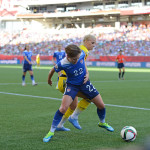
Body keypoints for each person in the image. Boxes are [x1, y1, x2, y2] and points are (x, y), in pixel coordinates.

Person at [43, 44, 114, 143]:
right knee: (63, 108)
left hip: (85, 84)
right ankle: (51, 131)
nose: (76, 61)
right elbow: (52, 70)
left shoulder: (81, 54)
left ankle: (102, 123)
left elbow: (83, 62)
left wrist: (87, 73)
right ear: (67, 56)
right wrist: (49, 79)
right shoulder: (63, 63)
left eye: (77, 58)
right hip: (72, 86)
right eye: (74, 59)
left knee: (101, 105)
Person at [56, 35, 98, 131]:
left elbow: (82, 63)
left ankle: (59, 125)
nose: (94, 45)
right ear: (85, 41)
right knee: (89, 97)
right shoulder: (83, 50)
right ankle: (73, 117)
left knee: (73, 105)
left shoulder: (81, 50)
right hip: (68, 81)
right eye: (92, 43)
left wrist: (87, 73)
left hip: (64, 80)